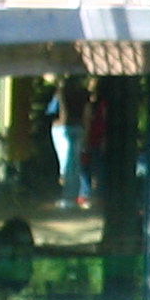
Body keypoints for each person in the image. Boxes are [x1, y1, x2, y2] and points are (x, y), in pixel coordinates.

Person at [48, 79, 89, 208]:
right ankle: (74, 195)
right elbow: (86, 114)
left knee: (65, 164)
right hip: (78, 128)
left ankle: (68, 197)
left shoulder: (61, 92)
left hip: (62, 128)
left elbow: (52, 111)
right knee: (75, 164)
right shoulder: (84, 93)